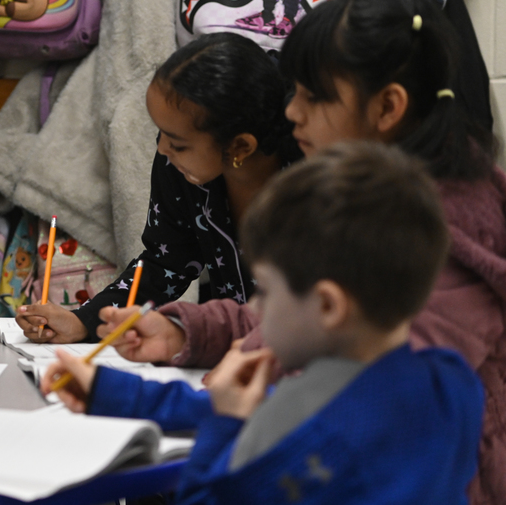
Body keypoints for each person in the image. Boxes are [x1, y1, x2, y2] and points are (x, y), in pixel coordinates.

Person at [99, 0, 505, 504]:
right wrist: (192, 330)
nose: (291, 113)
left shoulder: (439, 227)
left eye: (314, 97)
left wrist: (233, 393)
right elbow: (316, 313)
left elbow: (350, 368)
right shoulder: (369, 191)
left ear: (387, 107)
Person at [43, 142, 484, 504]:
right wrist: (113, 391)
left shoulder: (305, 439)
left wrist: (227, 427)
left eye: (267, 291)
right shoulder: (452, 382)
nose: (254, 304)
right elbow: (269, 404)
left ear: (328, 307)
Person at [15, 33, 299, 343]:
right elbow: (164, 265)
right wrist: (84, 322)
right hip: (237, 356)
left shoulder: (311, 181)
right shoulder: (181, 167)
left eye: (177, 143)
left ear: (240, 147)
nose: (163, 149)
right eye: (161, 133)